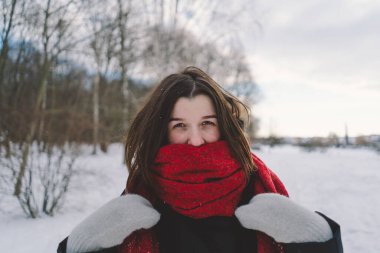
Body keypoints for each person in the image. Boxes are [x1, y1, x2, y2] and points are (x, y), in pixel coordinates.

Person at [58, 66, 343, 253]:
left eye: (207, 123)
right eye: (180, 125)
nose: (196, 140)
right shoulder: (144, 193)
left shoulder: (255, 185)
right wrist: (83, 245)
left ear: (224, 125)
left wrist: (317, 240)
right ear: (163, 131)